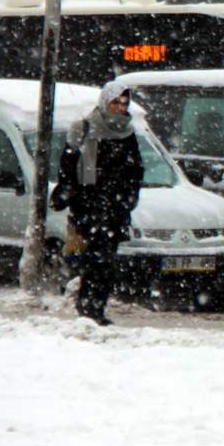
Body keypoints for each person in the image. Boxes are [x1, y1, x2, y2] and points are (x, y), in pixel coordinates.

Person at [57, 81, 143, 326]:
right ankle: (86, 309)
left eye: (124, 103)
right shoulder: (84, 128)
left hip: (114, 210)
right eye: (115, 102)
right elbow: (68, 167)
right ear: (104, 102)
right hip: (88, 207)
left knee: (106, 263)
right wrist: (74, 196)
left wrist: (127, 200)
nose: (120, 107)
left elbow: (135, 171)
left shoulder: (127, 134)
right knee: (90, 261)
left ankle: (97, 309)